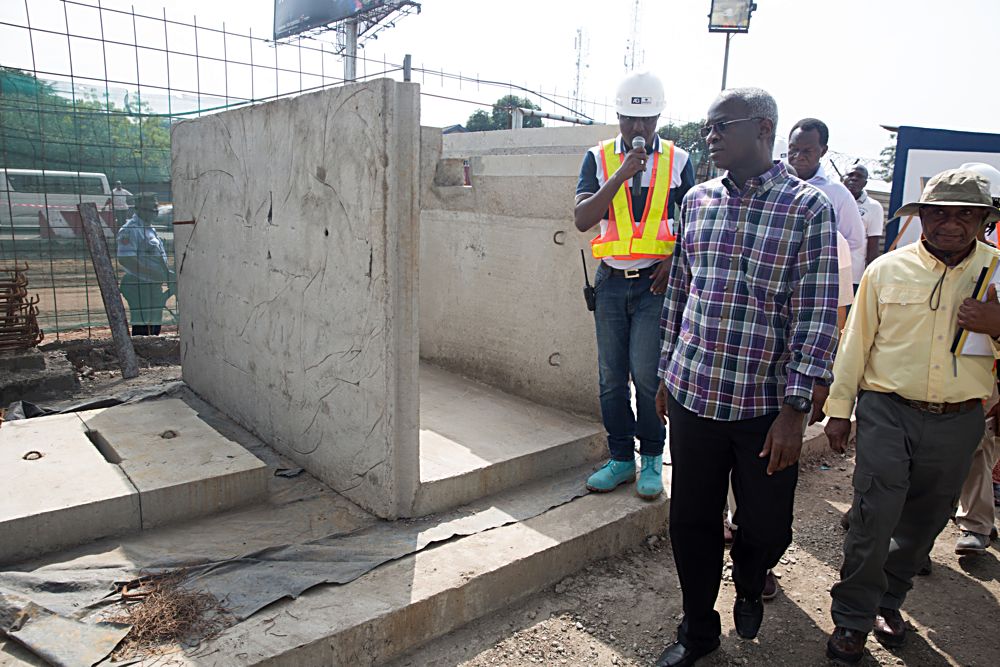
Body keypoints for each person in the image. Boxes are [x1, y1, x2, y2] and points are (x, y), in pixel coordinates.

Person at [654, 87, 839, 667]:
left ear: (761, 128)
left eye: (719, 127)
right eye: (706, 127)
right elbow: (682, 291)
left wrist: (795, 410)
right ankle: (699, 629)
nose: (708, 137)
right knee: (689, 520)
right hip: (694, 394)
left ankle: (752, 575)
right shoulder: (698, 201)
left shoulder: (807, 208)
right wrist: (665, 372)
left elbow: (815, 312)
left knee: (767, 526)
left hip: (765, 408)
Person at [823, 169, 1000, 663]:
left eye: (965, 214)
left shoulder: (999, 273)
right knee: (874, 515)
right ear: (921, 216)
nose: (950, 223)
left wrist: (997, 322)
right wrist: (839, 412)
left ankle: (889, 600)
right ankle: (852, 618)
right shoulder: (886, 269)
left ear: (984, 220)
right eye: (938, 212)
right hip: (887, 410)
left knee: (925, 521)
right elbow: (855, 344)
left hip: (960, 417)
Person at [574, 71, 695, 501]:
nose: (638, 129)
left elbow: (694, 221)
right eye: (630, 120)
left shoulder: (680, 161)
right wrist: (621, 174)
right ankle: (621, 458)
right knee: (611, 377)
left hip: (654, 286)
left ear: (659, 116)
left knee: (646, 377)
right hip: (610, 283)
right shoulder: (600, 158)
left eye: (646, 120)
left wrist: (673, 256)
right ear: (619, 116)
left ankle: (650, 460)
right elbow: (583, 219)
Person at [787, 118, 866, 287]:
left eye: (807, 151)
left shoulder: (837, 194)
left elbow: (854, 241)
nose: (798, 157)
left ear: (823, 151)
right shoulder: (772, 184)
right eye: (793, 149)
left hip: (813, 283)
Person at [116, 193, 172, 336]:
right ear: (139, 209)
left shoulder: (150, 229)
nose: (155, 211)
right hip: (139, 284)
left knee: (154, 323)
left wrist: (166, 275)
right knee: (142, 325)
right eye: (150, 208)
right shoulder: (130, 229)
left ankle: (150, 353)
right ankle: (141, 353)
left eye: (155, 207)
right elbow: (126, 258)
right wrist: (153, 273)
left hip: (153, 284)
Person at [842, 164, 885, 282]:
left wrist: (871, 276)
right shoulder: (831, 200)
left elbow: (873, 244)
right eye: (850, 175)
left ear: (865, 183)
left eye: (859, 176)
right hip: (827, 271)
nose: (854, 178)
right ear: (843, 178)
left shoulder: (873, 207)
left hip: (853, 275)